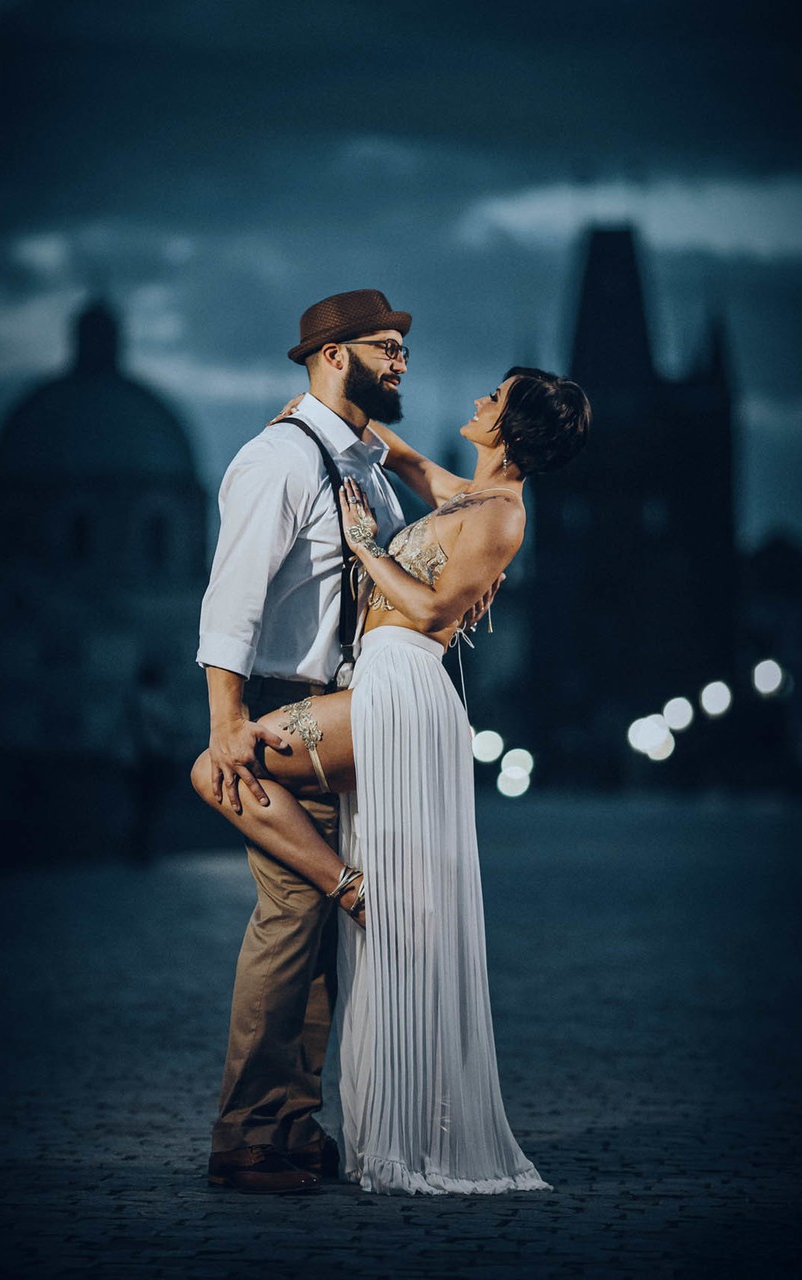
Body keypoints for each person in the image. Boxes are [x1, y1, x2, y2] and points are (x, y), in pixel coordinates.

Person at [193, 364, 591, 1194]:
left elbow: (431, 612)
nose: (479, 401)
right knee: (246, 807)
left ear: (512, 428)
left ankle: (351, 886)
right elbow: (405, 461)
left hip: (400, 684)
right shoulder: (470, 498)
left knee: (216, 766)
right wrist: (314, 420)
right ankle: (345, 894)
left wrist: (364, 546)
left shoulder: (503, 513)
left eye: (496, 398)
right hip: (378, 682)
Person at [196, 289, 420, 1194]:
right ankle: (246, 1129)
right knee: (292, 912)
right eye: (384, 346)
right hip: (284, 714)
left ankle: (290, 1120)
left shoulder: (361, 464)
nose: (402, 359)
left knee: (322, 927)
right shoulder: (280, 460)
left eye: (403, 347)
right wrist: (226, 731)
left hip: (345, 721)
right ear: (333, 355)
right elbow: (232, 605)